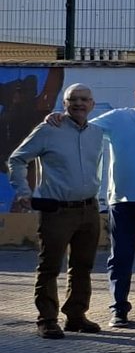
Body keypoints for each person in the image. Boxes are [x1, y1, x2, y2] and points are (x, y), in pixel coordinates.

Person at [44, 77, 135, 327]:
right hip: (123, 199)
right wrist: (56, 118)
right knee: (121, 256)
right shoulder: (118, 118)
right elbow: (80, 126)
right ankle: (119, 309)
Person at [8, 84, 105, 339]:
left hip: (89, 208)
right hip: (57, 210)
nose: (79, 104)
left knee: (83, 266)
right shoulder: (49, 129)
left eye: (85, 99)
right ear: (65, 103)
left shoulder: (97, 132)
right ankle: (47, 319)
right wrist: (23, 191)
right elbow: (17, 159)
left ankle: (76, 315)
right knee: (50, 266)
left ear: (92, 104)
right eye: (74, 99)